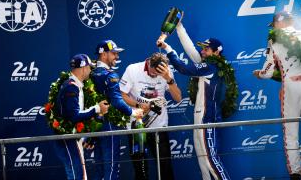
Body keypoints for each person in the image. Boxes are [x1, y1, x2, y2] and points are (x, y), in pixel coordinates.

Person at [253, 12, 301, 180]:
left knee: (290, 132)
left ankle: (295, 173)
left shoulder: (274, 41)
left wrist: (258, 73)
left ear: (279, 24)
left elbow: (267, 72)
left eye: (274, 25)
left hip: (290, 87)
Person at [157, 22, 232, 180]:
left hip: (207, 119)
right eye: (202, 48)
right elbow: (190, 48)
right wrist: (179, 27)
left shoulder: (211, 67)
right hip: (201, 117)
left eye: (206, 49)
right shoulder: (207, 64)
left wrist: (168, 49)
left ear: (216, 53)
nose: (202, 51)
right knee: (203, 162)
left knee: (211, 160)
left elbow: (184, 69)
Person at [119, 52, 182, 180]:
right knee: (140, 169)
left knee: (165, 166)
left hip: (159, 126)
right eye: (153, 73)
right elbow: (122, 95)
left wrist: (169, 79)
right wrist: (139, 105)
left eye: (158, 74)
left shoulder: (166, 71)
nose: (155, 76)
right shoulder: (133, 69)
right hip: (137, 126)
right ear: (148, 64)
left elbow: (178, 98)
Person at [91, 40, 144, 180]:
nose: (117, 57)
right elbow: (117, 101)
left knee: (99, 166)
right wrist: (134, 112)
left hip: (94, 124)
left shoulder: (90, 72)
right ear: (103, 55)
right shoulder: (110, 75)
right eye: (114, 53)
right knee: (112, 166)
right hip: (109, 125)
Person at [54, 54, 109, 180]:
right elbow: (74, 116)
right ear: (83, 67)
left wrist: (85, 136)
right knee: (78, 175)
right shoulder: (71, 86)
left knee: (79, 175)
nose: (90, 70)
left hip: (72, 137)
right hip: (68, 138)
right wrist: (97, 108)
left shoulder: (73, 84)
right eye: (89, 67)